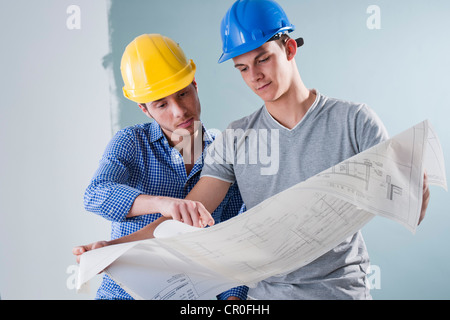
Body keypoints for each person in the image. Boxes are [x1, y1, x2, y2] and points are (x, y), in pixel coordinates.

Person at [75, 0, 430, 300]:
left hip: (341, 292)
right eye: (242, 68)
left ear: (289, 49)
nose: (254, 76)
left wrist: (413, 187)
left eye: (262, 59)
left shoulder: (353, 121)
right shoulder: (234, 139)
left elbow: (407, 205)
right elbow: (185, 217)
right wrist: (116, 249)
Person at [75, 33, 247, 300]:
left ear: (195, 85)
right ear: (145, 110)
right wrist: (163, 204)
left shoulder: (225, 154)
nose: (179, 111)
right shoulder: (131, 143)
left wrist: (234, 298)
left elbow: (233, 239)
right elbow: (96, 194)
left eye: (183, 94)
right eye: (162, 104)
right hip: (124, 294)